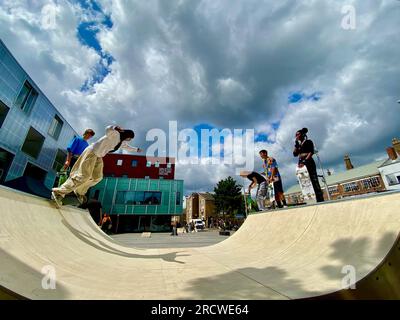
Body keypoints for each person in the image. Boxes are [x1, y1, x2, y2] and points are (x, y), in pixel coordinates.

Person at [51, 125, 142, 207]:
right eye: (130, 138)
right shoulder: (115, 134)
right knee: (84, 175)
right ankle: (59, 192)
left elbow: (128, 147)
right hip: (92, 152)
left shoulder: (121, 142)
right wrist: (114, 127)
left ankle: (79, 191)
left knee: (97, 177)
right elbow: (107, 129)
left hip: (98, 156)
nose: (129, 140)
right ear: (128, 136)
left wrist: (136, 149)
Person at [293, 128, 324, 202]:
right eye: (295, 135)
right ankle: (310, 199)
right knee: (305, 181)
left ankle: (320, 199)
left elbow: (311, 152)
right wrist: (296, 145)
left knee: (313, 180)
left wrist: (304, 161)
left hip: (308, 162)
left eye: (298, 134)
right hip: (301, 164)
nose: (296, 136)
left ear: (303, 135)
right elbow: (294, 154)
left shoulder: (308, 142)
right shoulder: (299, 144)